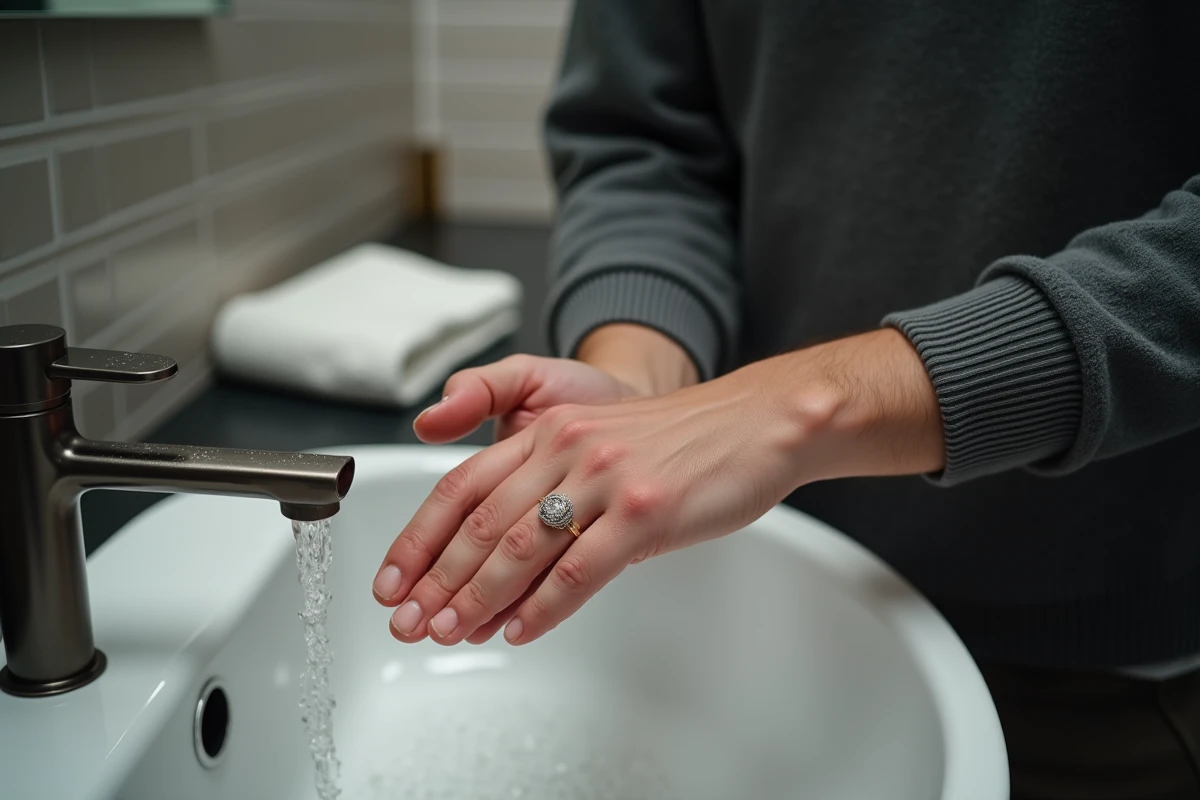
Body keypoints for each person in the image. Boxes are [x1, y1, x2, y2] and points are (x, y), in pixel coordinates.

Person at [372, 3, 1200, 797]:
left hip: (1098, 665)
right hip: (772, 598)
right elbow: (647, 144)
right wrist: (638, 378)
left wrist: (805, 404)